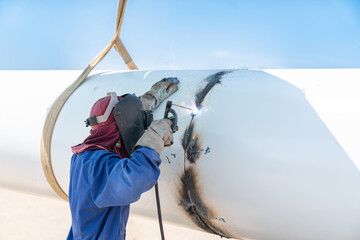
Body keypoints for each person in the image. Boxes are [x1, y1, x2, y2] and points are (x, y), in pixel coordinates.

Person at [67, 78, 179, 240]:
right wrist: (154, 138)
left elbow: (121, 129)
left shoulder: (83, 156)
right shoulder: (100, 164)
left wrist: (150, 99)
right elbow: (136, 177)